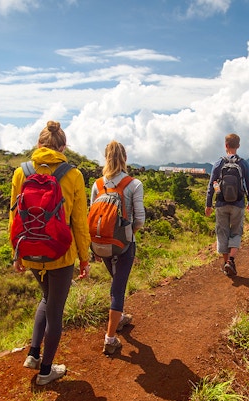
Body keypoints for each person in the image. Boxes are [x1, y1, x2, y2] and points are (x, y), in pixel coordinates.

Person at [9, 121, 91, 385]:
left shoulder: (21, 172)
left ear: (38, 144)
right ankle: (46, 372)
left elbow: (13, 218)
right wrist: (84, 258)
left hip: (30, 250)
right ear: (63, 147)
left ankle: (33, 354)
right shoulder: (74, 175)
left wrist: (16, 254)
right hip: (61, 254)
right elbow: (80, 221)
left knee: (46, 298)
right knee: (55, 309)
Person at [90, 140, 145, 355]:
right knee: (119, 288)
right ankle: (110, 338)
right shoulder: (134, 184)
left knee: (115, 281)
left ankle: (119, 317)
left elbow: (92, 216)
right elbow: (139, 219)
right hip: (124, 244)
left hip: (101, 243)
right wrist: (129, 234)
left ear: (106, 158)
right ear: (125, 158)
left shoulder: (97, 185)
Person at [205, 133, 249, 276]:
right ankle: (230, 260)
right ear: (238, 146)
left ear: (226, 145)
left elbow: (211, 185)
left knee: (222, 232)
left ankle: (226, 262)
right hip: (238, 203)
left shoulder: (218, 163)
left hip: (221, 203)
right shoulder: (243, 163)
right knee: (236, 232)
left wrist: (208, 204)